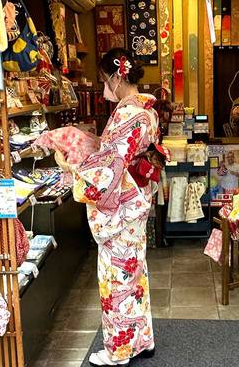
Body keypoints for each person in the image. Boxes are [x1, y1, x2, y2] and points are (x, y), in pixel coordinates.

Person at [70, 48, 162, 366]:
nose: (104, 87)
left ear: (116, 75)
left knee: (117, 278)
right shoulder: (146, 109)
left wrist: (76, 166)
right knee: (135, 273)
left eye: (105, 80)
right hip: (137, 200)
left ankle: (120, 350)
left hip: (121, 207)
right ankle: (143, 338)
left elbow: (109, 168)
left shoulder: (127, 115)